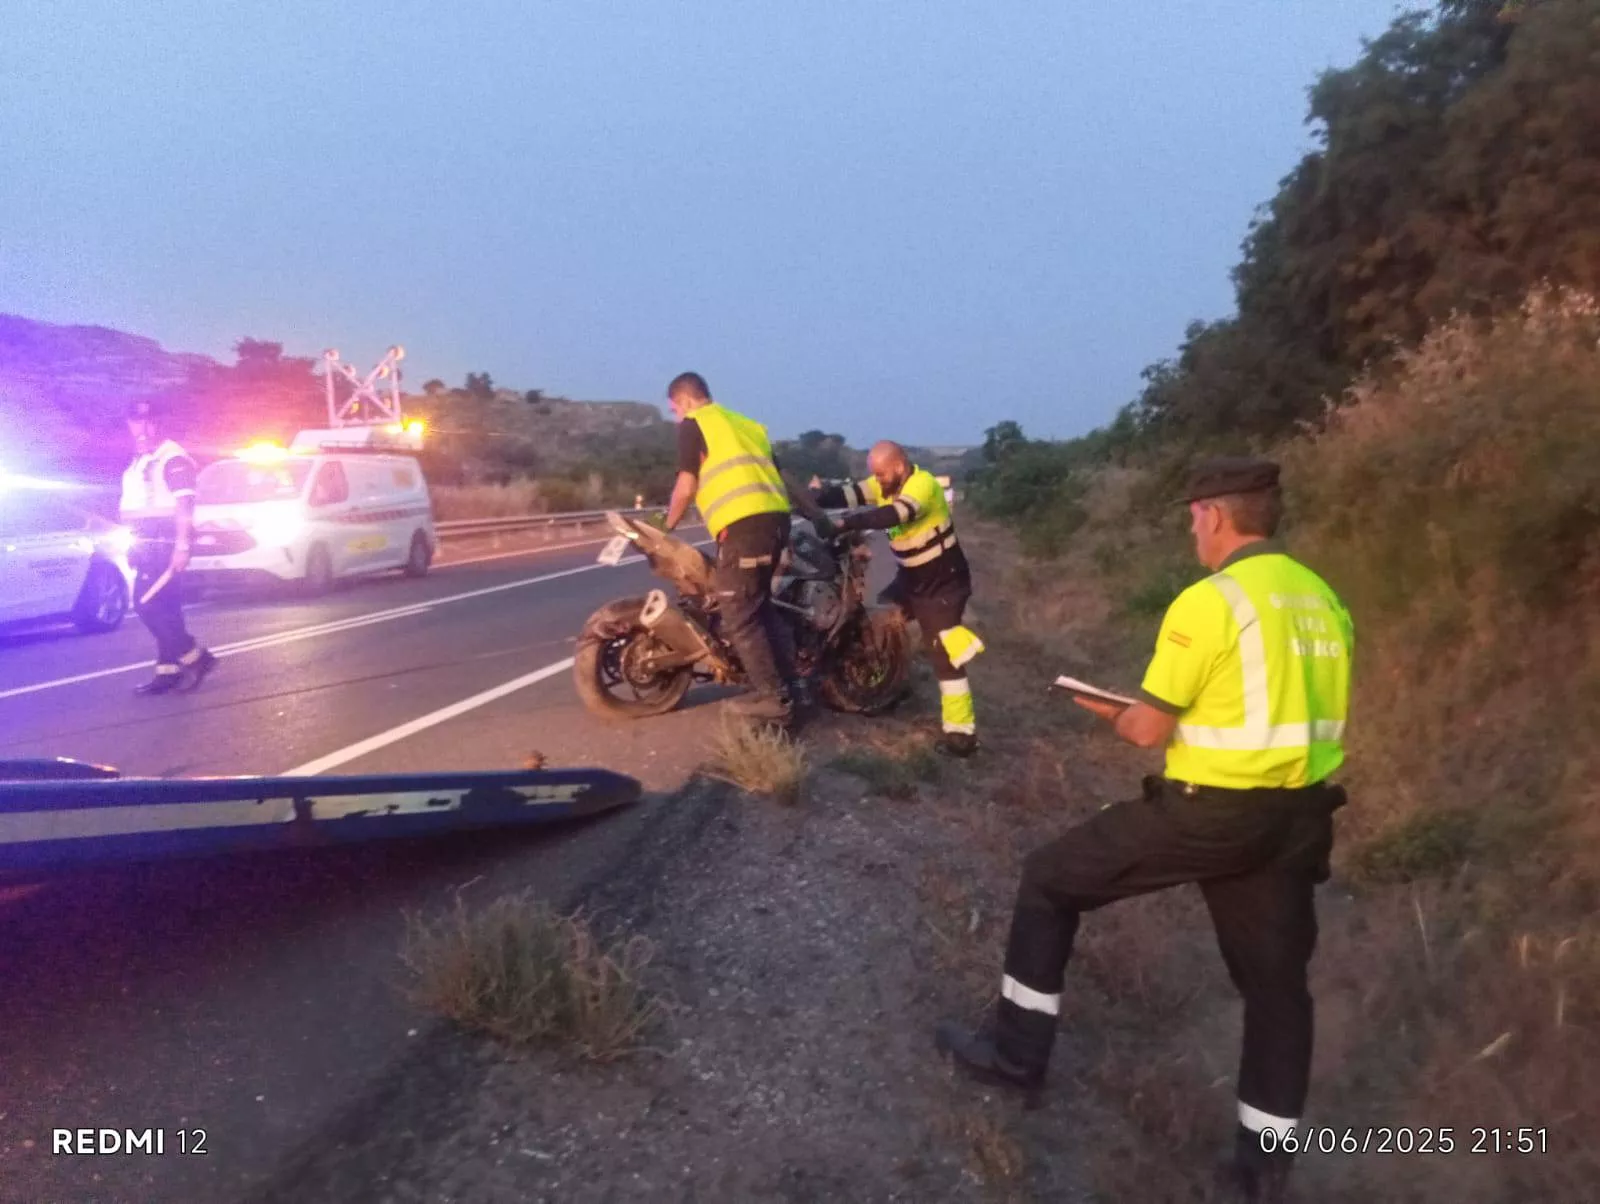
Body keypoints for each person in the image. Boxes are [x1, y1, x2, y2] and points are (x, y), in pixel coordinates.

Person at [933, 456, 1353, 1203]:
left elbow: (1148, 729)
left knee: (1049, 881)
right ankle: (1262, 1172)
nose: (1193, 529)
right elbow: (1262, 705)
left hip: (1209, 812)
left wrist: (1113, 712)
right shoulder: (1322, 599)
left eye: (1194, 516)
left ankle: (1015, 1055)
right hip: (1296, 820)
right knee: (1277, 991)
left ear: (1216, 516)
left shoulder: (1212, 600)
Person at [662, 372, 822, 723]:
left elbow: (687, 483)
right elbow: (786, 479)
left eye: (674, 409)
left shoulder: (695, 423)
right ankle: (795, 691)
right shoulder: (749, 426)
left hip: (745, 527)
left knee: (739, 612)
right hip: (775, 524)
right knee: (761, 608)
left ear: (686, 400)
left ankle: (774, 700)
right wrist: (817, 517)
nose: (677, 416)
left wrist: (667, 524)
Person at [814, 442, 981, 757]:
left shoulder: (923, 486)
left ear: (900, 466)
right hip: (912, 579)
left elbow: (895, 514)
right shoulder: (883, 483)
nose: (876, 479)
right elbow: (848, 494)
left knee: (945, 655)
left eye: (881, 472)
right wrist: (816, 497)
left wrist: (848, 523)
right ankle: (890, 682)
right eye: (873, 473)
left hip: (943, 584)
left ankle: (962, 735)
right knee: (883, 622)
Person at [120, 400, 217, 695]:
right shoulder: (142, 459)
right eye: (137, 422)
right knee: (168, 609)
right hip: (146, 541)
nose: (144, 428)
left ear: (161, 424)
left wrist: (182, 546)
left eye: (151, 422)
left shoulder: (172, 458)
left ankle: (197, 658)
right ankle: (168, 671)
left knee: (146, 604)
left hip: (163, 543)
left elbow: (184, 504)